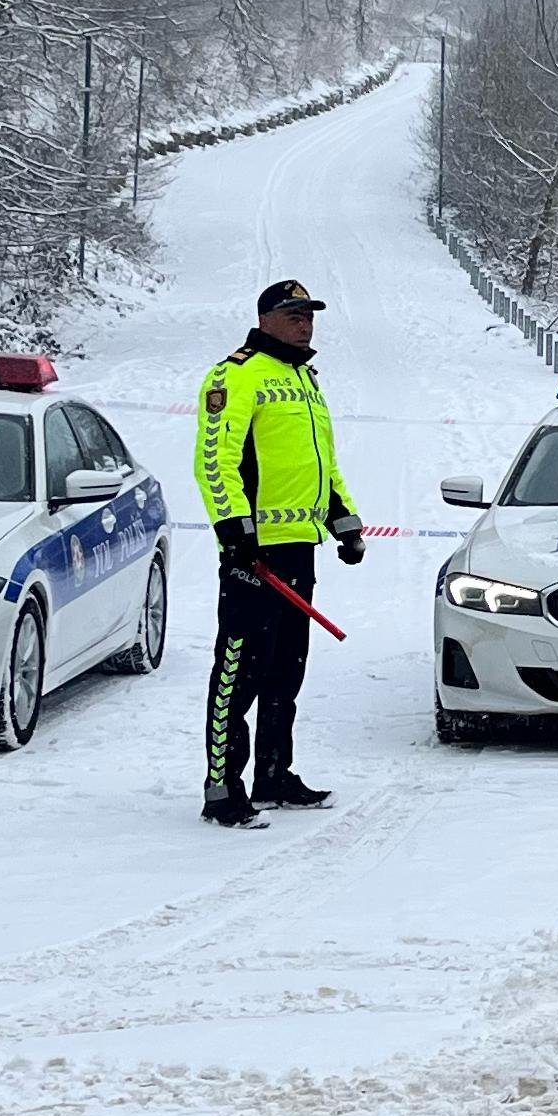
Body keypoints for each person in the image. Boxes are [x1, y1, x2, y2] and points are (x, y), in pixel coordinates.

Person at [193, 277, 365, 826]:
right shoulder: (236, 374)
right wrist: (234, 533)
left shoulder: (304, 378)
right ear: (265, 318)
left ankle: (272, 774)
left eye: (309, 313)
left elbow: (322, 462)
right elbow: (215, 460)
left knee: (285, 671)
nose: (303, 321)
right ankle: (222, 787)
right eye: (293, 313)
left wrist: (345, 523)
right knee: (239, 671)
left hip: (298, 549)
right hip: (254, 555)